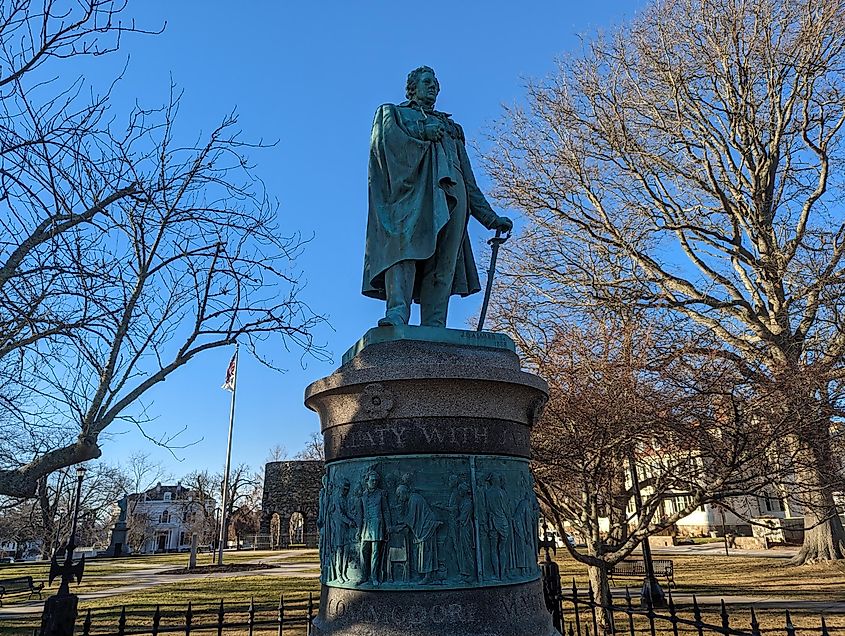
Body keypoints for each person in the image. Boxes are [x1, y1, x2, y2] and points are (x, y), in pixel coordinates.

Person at [363, 66, 513, 327]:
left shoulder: (451, 127)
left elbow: (468, 178)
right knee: (404, 252)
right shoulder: (393, 114)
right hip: (410, 194)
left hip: (453, 195)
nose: (433, 86)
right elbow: (384, 147)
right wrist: (422, 132)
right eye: (426, 82)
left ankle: (435, 326)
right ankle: (397, 313)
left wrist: (490, 218)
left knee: (444, 263)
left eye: (435, 82)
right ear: (412, 88)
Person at [394, 484, 441, 584]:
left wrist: (401, 517)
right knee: (423, 552)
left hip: (426, 528)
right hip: (424, 527)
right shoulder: (413, 498)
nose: (399, 498)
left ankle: (428, 577)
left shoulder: (414, 499)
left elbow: (411, 519)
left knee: (426, 552)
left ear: (403, 492)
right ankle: (424, 575)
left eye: (399, 495)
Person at [358, 469, 389, 586]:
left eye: (376, 481)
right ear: (367, 481)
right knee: (363, 551)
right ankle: (363, 575)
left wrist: (388, 526)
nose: (374, 482)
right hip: (366, 526)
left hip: (377, 525)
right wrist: (358, 529)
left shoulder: (381, 494)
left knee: (375, 552)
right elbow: (360, 514)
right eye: (372, 480)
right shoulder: (363, 495)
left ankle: (374, 576)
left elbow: (386, 511)